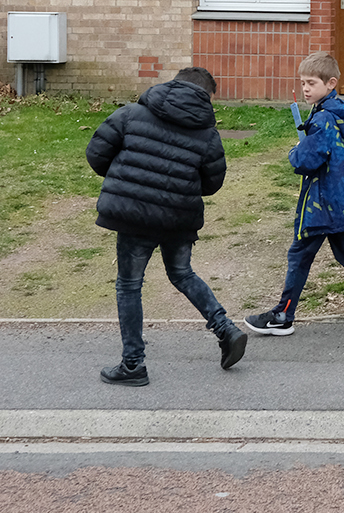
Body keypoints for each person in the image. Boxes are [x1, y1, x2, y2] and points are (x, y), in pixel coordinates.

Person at [87, 66, 247, 386]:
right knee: (183, 274)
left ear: (173, 84)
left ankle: (133, 364)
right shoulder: (207, 134)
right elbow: (212, 182)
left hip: (132, 213)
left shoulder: (130, 114)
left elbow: (96, 154)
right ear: (206, 96)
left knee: (129, 285)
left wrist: (126, 179)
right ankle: (225, 328)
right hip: (178, 217)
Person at [245, 52, 344, 336]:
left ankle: (283, 315)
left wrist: (295, 152)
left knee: (300, 255)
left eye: (311, 83)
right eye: (302, 83)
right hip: (341, 199)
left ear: (330, 83)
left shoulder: (322, 120)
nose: (305, 88)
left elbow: (307, 160)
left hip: (322, 203)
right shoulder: (340, 112)